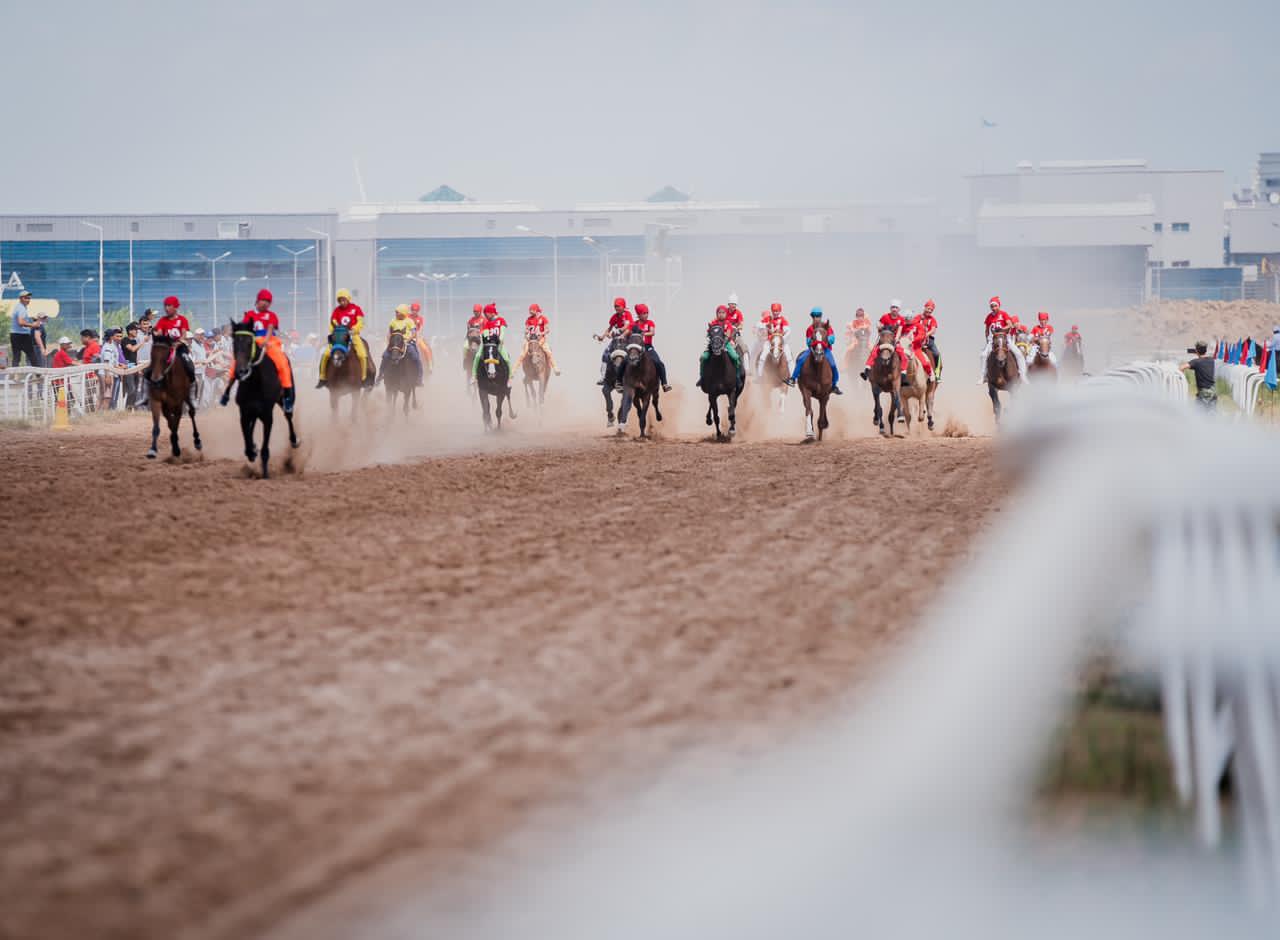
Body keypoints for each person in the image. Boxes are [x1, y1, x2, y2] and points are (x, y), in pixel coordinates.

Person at [222, 288, 296, 412]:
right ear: (257, 300)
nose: (266, 303)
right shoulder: (249, 314)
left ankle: (287, 395)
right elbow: (244, 329)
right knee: (237, 362)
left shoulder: (272, 315)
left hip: (270, 343)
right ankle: (227, 392)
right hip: (253, 342)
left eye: (268, 301)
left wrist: (266, 340)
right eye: (263, 300)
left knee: (282, 362)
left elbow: (271, 328)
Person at [316, 288, 370, 388]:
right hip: (339, 337)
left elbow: (360, 322)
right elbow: (332, 323)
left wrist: (354, 329)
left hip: (353, 335)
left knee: (362, 355)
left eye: (344, 299)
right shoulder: (336, 310)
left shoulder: (356, 309)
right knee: (326, 354)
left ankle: (363, 379)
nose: (342, 302)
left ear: (348, 299)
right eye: (340, 300)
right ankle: (322, 378)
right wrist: (334, 331)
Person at [786, 308, 843, 393]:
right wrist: (814, 342)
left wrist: (826, 339)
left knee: (833, 365)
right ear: (812, 317)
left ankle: (834, 385)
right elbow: (808, 342)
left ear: (821, 317)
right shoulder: (810, 329)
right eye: (814, 316)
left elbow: (832, 339)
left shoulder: (827, 327)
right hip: (813, 350)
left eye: (818, 316)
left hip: (825, 350)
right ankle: (793, 379)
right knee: (801, 359)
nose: (816, 318)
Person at [152, 296, 198, 400]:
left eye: (169, 306)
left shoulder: (182, 320)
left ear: (175, 307)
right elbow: (160, 334)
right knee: (155, 364)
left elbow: (184, 334)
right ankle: (151, 392)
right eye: (165, 306)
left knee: (188, 363)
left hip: (180, 347)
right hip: (166, 348)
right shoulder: (162, 320)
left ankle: (192, 388)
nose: (166, 308)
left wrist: (177, 343)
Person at [860, 299, 910, 385]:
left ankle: (904, 376)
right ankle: (867, 371)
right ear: (890, 308)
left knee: (903, 356)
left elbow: (899, 331)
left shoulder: (901, 319)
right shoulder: (885, 317)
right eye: (893, 307)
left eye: (896, 307)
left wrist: (896, 340)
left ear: (899, 309)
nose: (894, 309)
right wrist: (881, 334)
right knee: (873, 352)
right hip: (884, 340)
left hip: (894, 341)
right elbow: (879, 326)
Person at [979, 295, 1026, 382]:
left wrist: (1002, 329)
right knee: (983, 355)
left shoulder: (1003, 314)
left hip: (1005, 338)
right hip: (994, 339)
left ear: (999, 306)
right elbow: (986, 330)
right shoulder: (989, 317)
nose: (994, 308)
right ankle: (983, 376)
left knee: (1019, 354)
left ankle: (1022, 375)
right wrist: (987, 340)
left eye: (995, 306)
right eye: (992, 306)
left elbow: (1010, 325)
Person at [626, 303, 672, 391]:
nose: (646, 315)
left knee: (659, 363)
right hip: (636, 349)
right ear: (638, 315)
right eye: (643, 313)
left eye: (647, 313)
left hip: (648, 348)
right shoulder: (634, 325)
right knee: (624, 362)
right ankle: (620, 383)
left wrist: (643, 333)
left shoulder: (650, 323)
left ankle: (664, 384)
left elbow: (652, 332)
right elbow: (628, 333)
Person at [698, 304, 744, 390]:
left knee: (735, 357)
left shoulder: (727, 323)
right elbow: (709, 333)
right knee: (703, 358)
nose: (721, 314)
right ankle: (702, 378)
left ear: (726, 314)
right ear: (716, 313)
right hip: (713, 344)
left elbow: (729, 333)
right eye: (719, 312)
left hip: (726, 344)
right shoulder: (713, 323)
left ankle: (737, 378)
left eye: (723, 312)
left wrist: (724, 341)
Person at [512, 302, 562, 376]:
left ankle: (555, 368)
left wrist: (541, 333)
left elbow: (547, 329)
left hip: (540, 339)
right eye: (530, 310)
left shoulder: (543, 318)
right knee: (523, 354)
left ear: (536, 310)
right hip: (530, 339)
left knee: (548, 351)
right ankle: (514, 370)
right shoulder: (528, 319)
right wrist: (526, 334)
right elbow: (526, 330)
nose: (530, 312)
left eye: (532, 310)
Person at [380, 304, 424, 386]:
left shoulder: (409, 321)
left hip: (407, 342)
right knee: (385, 356)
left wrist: (408, 339)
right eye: (396, 312)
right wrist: (389, 342)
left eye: (398, 312)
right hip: (394, 343)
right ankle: (380, 376)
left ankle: (419, 379)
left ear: (403, 313)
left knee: (416, 357)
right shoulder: (393, 321)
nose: (396, 314)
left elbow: (414, 333)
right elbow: (389, 333)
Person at [594, 297, 634, 386]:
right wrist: (602, 336)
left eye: (618, 306)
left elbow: (628, 326)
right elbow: (609, 328)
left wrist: (620, 332)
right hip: (616, 339)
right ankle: (603, 377)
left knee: (635, 353)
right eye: (615, 306)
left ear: (623, 306)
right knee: (605, 354)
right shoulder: (614, 317)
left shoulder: (627, 314)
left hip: (627, 338)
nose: (616, 308)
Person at [471, 302, 513, 385]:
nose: (485, 315)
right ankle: (474, 376)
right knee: (478, 355)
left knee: (506, 358)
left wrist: (500, 339)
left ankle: (509, 378)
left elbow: (503, 331)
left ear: (491, 312)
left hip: (498, 344)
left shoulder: (501, 320)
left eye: (486, 313)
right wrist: (485, 338)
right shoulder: (487, 323)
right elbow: (486, 333)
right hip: (488, 344)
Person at [757, 302, 794, 377]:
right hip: (770, 341)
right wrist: (765, 325)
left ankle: (792, 377)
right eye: (774, 311)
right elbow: (758, 324)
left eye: (777, 311)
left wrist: (783, 339)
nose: (775, 313)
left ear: (780, 311)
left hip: (780, 342)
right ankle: (759, 376)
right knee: (762, 357)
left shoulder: (783, 320)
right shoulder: (768, 318)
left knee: (789, 358)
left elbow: (788, 330)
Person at [1180, 341, 1217, 409]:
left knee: (1198, 415)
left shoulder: (1196, 362)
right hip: (1213, 392)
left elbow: (1181, 368)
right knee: (1212, 416)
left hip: (1203, 394)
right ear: (1205, 350)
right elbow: (1203, 359)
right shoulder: (1211, 360)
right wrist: (1198, 352)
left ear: (1197, 350)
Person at [901, 310, 936, 381]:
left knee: (924, 362)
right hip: (903, 348)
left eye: (908, 319)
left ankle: (930, 373)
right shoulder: (903, 327)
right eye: (905, 319)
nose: (906, 321)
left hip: (915, 348)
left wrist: (913, 340)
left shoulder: (918, 326)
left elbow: (921, 335)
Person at [8, 289, 39, 366]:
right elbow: (21, 322)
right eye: (26, 298)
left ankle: (14, 375)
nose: (28, 300)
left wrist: (30, 319)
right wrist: (33, 325)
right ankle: (39, 375)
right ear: (21, 298)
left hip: (14, 334)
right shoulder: (21, 308)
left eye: (29, 298)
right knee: (32, 355)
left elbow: (20, 320)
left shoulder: (18, 307)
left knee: (16, 357)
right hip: (22, 335)